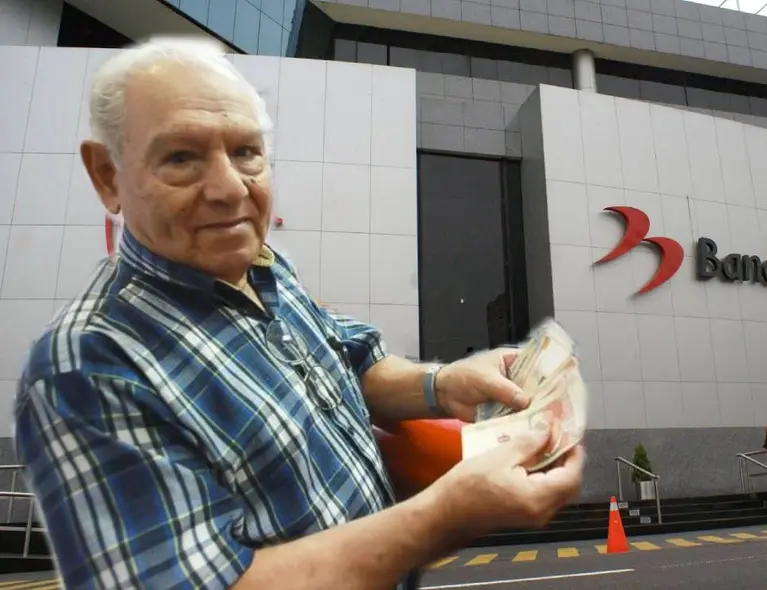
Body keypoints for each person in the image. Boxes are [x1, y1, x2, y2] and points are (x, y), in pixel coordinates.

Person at [13, 37, 585, 590]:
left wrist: (441, 384)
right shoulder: (85, 366)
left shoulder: (264, 265)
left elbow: (350, 361)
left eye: (245, 151)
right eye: (181, 157)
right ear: (106, 175)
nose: (230, 189)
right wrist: (446, 515)